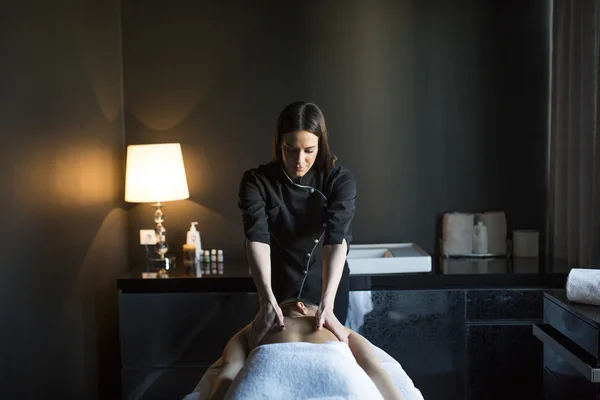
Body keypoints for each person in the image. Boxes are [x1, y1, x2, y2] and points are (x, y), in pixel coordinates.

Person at [238, 101, 357, 349]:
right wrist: (266, 298)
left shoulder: (338, 180)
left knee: (331, 350)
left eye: (309, 150)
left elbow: (336, 239)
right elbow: (256, 237)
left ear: (321, 145)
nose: (299, 160)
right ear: (279, 144)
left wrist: (328, 302)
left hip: (326, 282)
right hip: (275, 283)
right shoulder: (257, 181)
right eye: (290, 149)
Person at [206, 298, 403, 400]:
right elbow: (372, 365)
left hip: (267, 372)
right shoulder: (336, 329)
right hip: (335, 371)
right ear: (302, 306)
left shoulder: (253, 329)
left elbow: (229, 370)